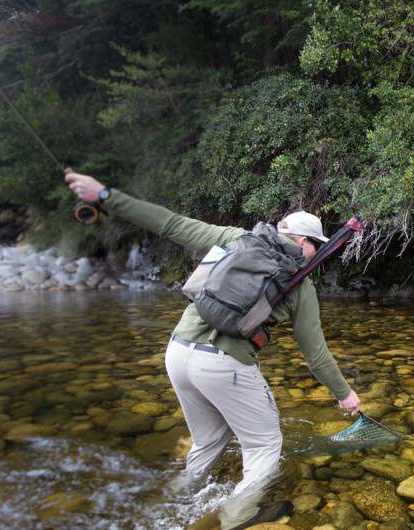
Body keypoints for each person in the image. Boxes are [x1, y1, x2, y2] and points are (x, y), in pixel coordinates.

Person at [64, 169, 361, 530]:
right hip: (223, 365)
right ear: (302, 242)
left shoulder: (235, 238)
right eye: (316, 244)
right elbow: (315, 355)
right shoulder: (300, 286)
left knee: (209, 441)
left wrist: (107, 196)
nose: (317, 253)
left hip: (177, 351)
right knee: (265, 444)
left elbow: (170, 224)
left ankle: (174, 503)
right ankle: (237, 517)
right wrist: (344, 395)